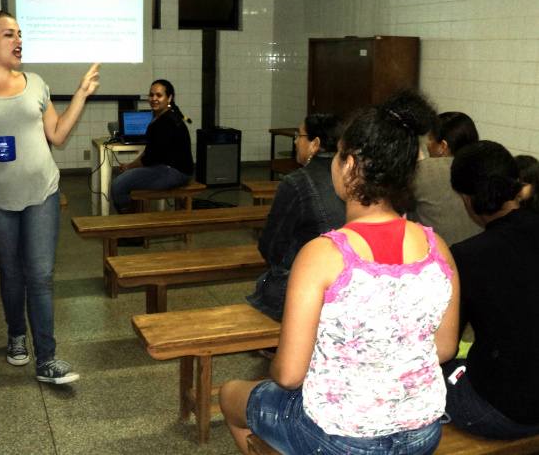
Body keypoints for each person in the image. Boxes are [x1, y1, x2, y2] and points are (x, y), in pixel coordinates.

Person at [219, 89, 460, 455]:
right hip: (422, 433)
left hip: (340, 438)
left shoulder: (324, 254)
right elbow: (443, 348)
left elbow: (287, 376)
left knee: (230, 396)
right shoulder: (436, 246)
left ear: (348, 166)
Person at [0, 10, 99, 384]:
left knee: (39, 276)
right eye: (10, 34)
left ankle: (48, 358)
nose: (19, 40)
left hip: (42, 191)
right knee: (11, 273)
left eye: (20, 34)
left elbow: (56, 134)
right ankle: (15, 335)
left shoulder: (35, 82)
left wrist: (81, 94)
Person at [444, 140, 539, 440]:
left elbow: (444, 346)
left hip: (506, 412)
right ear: (517, 186)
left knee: (439, 372)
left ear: (466, 199)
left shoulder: (467, 255)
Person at [245, 112, 345, 322]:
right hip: (349, 283)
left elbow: (270, 248)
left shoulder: (296, 183)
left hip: (308, 288)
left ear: (314, 144)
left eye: (299, 135)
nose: (295, 140)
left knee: (266, 284)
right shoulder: (354, 175)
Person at [110, 79, 193, 213]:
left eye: (159, 95)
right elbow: (150, 152)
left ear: (169, 98)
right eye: (151, 95)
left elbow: (149, 159)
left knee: (118, 185)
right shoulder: (160, 118)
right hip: (164, 167)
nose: (154, 98)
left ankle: (130, 228)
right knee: (123, 179)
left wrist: (129, 167)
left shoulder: (167, 121)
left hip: (176, 172)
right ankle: (134, 221)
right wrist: (129, 167)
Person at [407, 111, 482, 246]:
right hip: (479, 254)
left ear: (443, 146)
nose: (428, 144)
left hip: (436, 259)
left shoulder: (422, 171)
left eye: (430, 139)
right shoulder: (484, 168)